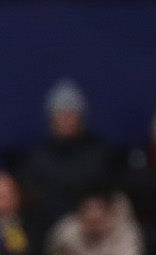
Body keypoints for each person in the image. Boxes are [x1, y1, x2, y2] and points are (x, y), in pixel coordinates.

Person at [21, 80, 112, 235]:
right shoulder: (37, 157)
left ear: (81, 117)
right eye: (61, 115)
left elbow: (107, 193)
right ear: (52, 119)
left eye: (71, 114)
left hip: (94, 226)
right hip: (49, 229)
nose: (66, 120)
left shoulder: (100, 152)